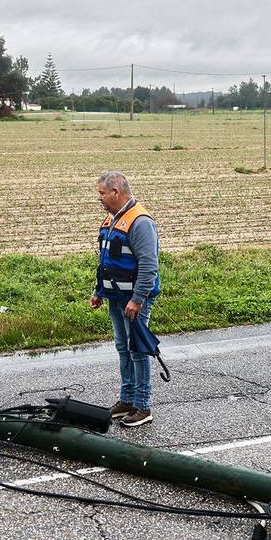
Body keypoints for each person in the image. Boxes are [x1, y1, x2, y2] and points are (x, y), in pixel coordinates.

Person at [89, 171, 160, 427]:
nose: (99, 198)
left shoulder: (140, 221)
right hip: (115, 298)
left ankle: (142, 406)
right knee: (123, 347)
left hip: (134, 301)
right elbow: (105, 261)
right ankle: (126, 400)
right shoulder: (112, 220)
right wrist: (99, 290)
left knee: (137, 349)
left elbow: (149, 265)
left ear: (116, 192)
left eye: (102, 193)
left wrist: (138, 298)